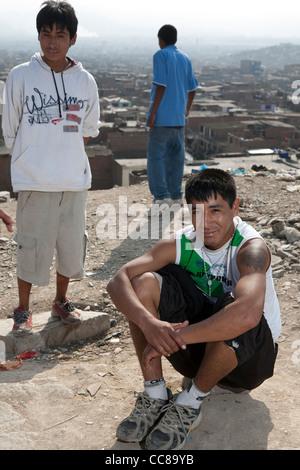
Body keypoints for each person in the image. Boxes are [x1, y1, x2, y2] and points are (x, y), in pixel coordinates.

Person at [107, 168, 281, 450]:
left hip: (246, 362)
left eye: (216, 211)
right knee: (143, 282)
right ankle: (155, 395)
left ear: (235, 207)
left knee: (235, 307)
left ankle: (189, 403)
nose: (206, 222)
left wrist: (174, 338)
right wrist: (150, 325)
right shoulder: (183, 241)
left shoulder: (251, 248)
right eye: (197, 212)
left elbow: (248, 315)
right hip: (192, 349)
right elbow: (118, 280)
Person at [2, 1, 100, 335]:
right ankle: (23, 308)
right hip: (34, 179)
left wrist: (64, 155)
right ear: (38, 36)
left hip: (73, 182)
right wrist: (35, 158)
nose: (52, 42)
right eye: (46, 34)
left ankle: (61, 300)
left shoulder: (85, 81)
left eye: (60, 34)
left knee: (70, 246)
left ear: (73, 38)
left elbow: (87, 131)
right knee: (30, 245)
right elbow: (11, 129)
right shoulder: (20, 76)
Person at [146, 25, 198, 212]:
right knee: (176, 158)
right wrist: (186, 110)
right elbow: (192, 88)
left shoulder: (160, 56)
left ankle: (161, 197)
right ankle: (176, 196)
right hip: (178, 119)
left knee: (156, 158)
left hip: (162, 118)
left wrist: (152, 112)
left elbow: (161, 85)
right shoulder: (185, 58)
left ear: (161, 40)